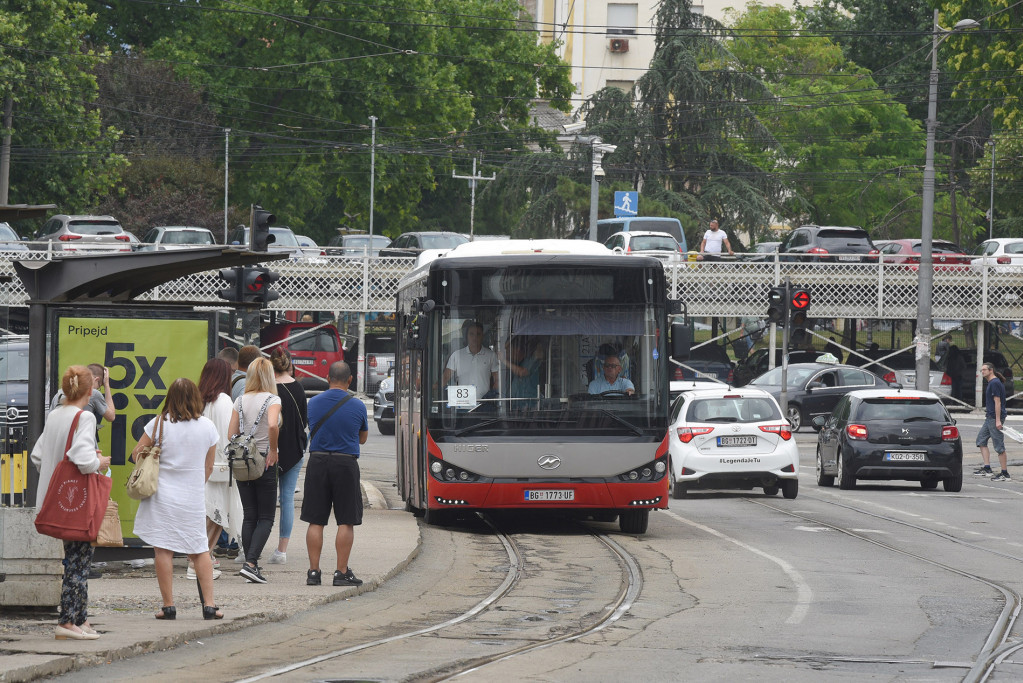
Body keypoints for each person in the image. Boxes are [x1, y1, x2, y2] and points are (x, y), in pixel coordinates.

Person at [31, 366, 111, 640]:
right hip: (78, 504)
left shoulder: (55, 415)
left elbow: (38, 456)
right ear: (91, 391)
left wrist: (57, 481)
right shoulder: (85, 417)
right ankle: (67, 622)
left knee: (76, 559)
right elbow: (84, 460)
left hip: (57, 503)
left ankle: (81, 619)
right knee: (79, 563)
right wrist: (99, 461)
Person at [132, 378, 223, 620]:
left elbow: (135, 455)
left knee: (163, 550)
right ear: (196, 397)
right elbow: (209, 465)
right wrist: (193, 484)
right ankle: (210, 606)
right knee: (199, 549)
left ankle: (169, 606)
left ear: (170, 397)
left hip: (162, 496)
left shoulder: (158, 424)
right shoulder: (207, 427)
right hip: (192, 497)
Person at [302, 361, 368, 587]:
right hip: (345, 464)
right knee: (346, 520)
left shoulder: (313, 403)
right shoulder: (358, 406)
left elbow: (308, 428)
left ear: (327, 379)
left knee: (315, 520)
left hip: (318, 461)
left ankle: (313, 572)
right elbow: (362, 438)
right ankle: (341, 572)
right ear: (350, 380)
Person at [188, 358, 243, 580]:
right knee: (218, 517)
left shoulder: (197, 399)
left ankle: (198, 560)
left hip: (197, 467)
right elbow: (229, 436)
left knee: (204, 516)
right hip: (220, 468)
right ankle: (199, 562)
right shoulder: (224, 401)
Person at [229, 357, 282, 584]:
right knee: (266, 517)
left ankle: (250, 563)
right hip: (264, 462)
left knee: (250, 514)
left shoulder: (239, 400)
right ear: (270, 376)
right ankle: (251, 564)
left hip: (243, 463)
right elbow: (272, 424)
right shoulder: (273, 399)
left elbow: (231, 433)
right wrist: (273, 449)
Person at [267, 347, 308, 565]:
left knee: (263, 499)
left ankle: (250, 547)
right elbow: (304, 421)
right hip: (294, 450)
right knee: (287, 498)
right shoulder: (299, 388)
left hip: (269, 451)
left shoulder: (268, 389)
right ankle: (282, 550)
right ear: (289, 363)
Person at [47, 363, 115, 431]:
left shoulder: (59, 393)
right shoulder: (94, 394)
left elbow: (48, 422)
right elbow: (111, 416)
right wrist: (106, 384)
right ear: (96, 379)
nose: (96, 389)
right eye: (99, 386)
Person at [442, 321, 498, 400]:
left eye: (478, 334)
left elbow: (498, 379)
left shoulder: (491, 355)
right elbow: (445, 378)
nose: (475, 337)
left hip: (484, 405)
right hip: (462, 404)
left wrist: (493, 395)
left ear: (482, 336)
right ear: (466, 336)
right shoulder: (457, 355)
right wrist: (432, 388)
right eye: (471, 334)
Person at [975, 362, 1010, 481]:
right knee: (981, 440)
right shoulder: (992, 382)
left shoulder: (994, 383)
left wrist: (998, 420)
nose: (982, 372)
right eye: (981, 370)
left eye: (984, 370)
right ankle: (987, 468)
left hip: (994, 418)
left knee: (999, 446)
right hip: (990, 417)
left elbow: (998, 402)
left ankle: (1005, 473)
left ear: (991, 370)